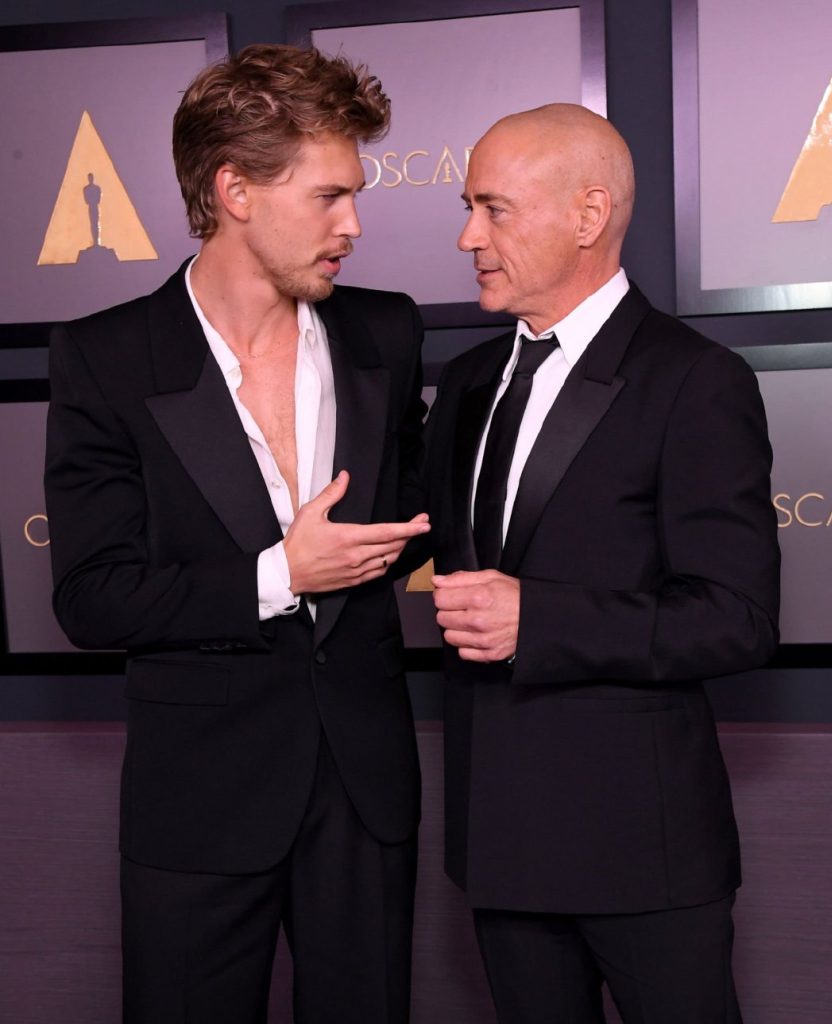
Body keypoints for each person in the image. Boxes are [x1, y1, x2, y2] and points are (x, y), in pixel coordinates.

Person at [44, 44, 429, 1024]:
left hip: (364, 791)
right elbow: (92, 594)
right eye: (329, 195)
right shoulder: (110, 356)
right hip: (198, 802)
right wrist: (278, 571)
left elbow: (430, 519)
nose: (354, 225)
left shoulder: (385, 333)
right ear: (236, 190)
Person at [424, 104, 780, 1023]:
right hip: (498, 845)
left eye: (494, 210)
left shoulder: (695, 380)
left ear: (587, 217)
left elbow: (735, 616)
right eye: (469, 207)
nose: (467, 236)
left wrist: (537, 619)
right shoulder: (463, 384)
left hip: (644, 851)